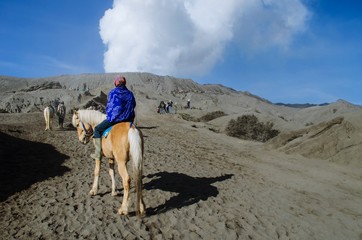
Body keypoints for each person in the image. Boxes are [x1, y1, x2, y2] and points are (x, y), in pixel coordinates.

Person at [90, 75, 136, 160]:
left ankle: (97, 153)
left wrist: (110, 115)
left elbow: (110, 107)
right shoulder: (130, 93)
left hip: (115, 119)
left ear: (116, 83)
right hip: (129, 120)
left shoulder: (113, 92)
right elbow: (134, 105)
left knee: (97, 129)